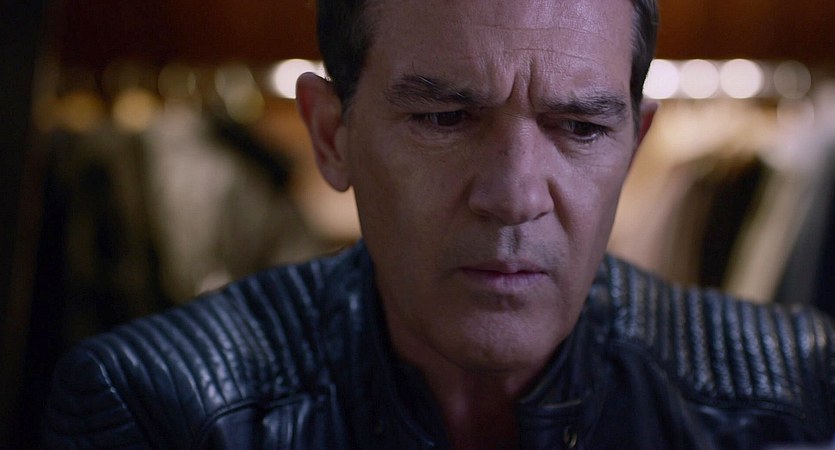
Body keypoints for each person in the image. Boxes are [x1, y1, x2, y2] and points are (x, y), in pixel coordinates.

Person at [42, 0, 835, 448]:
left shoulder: (791, 394)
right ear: (331, 135)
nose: (513, 196)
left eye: (580, 128)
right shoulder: (160, 405)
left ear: (634, 145)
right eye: (443, 118)